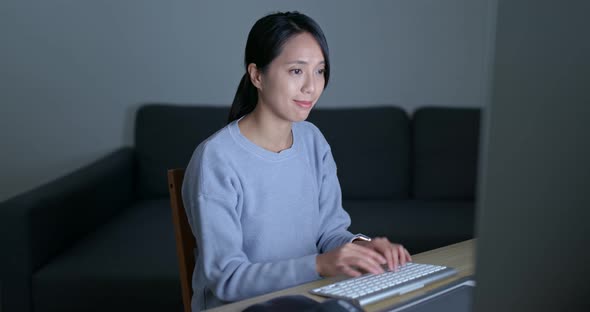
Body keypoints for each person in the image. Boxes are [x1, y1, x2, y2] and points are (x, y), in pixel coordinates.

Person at [182, 11, 412, 311]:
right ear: (257, 75)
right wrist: (318, 265)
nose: (311, 87)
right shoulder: (216, 158)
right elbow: (227, 278)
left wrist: (363, 248)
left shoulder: (312, 140)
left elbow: (330, 232)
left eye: (319, 71)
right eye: (296, 71)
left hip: (311, 298)